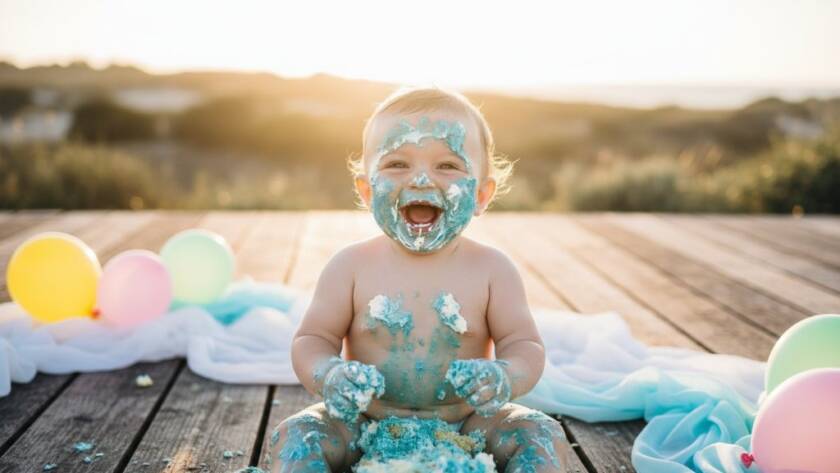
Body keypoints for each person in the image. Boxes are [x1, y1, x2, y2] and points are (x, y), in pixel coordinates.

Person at [269, 86, 571, 472]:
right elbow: (312, 339)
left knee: (540, 432)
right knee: (298, 434)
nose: (423, 180)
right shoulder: (350, 266)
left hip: (467, 425)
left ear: (481, 195)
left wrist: (504, 377)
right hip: (364, 423)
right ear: (366, 190)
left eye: (447, 166)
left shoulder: (493, 270)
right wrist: (330, 375)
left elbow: (525, 344)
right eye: (397, 164)